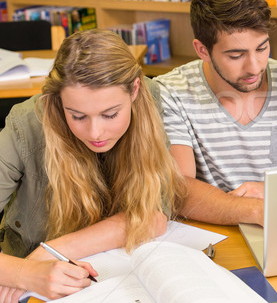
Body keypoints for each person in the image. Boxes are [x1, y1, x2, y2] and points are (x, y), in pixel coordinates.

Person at [0, 30, 186, 302]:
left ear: (134, 90)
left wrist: (47, 252)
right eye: (77, 116)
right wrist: (24, 272)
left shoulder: (151, 98)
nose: (95, 132)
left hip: (116, 275)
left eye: (110, 114)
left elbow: (154, 215)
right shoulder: (24, 125)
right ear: (58, 101)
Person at [156, 0, 277, 226]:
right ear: (202, 50)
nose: (254, 67)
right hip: (212, 232)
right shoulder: (171, 92)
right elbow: (179, 189)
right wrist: (253, 210)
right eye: (236, 55)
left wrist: (271, 197)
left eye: (262, 48)